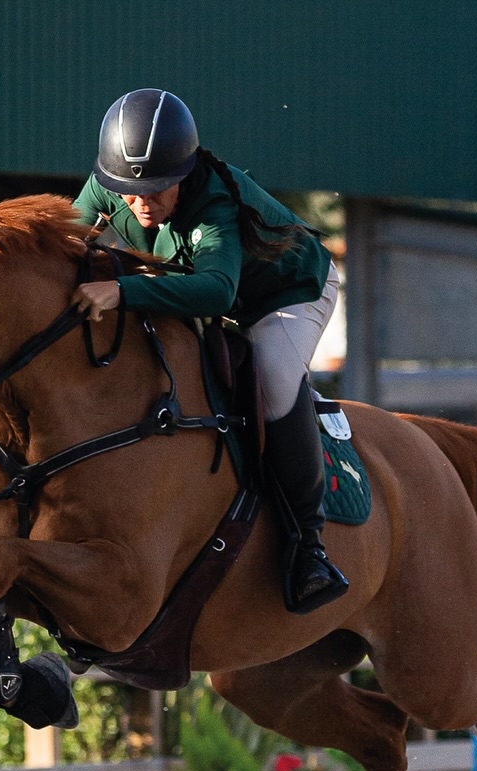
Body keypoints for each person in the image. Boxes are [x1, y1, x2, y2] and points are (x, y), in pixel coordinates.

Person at [69, 88, 347, 614]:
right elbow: (61, 244)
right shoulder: (112, 187)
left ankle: (310, 548)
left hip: (287, 293)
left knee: (269, 381)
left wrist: (121, 291)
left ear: (185, 172)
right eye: (128, 191)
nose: (140, 202)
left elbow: (216, 290)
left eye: (157, 189)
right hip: (222, 294)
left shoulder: (213, 201)